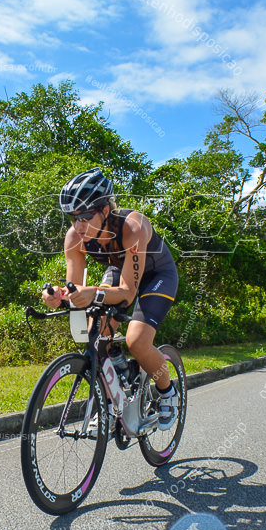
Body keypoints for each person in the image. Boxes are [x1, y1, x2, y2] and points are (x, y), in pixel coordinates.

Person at [42, 168, 181, 430]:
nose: (78, 226)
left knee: (137, 341)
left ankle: (167, 392)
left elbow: (128, 292)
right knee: (96, 337)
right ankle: (107, 405)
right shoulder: (75, 237)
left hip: (156, 275)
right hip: (119, 272)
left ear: (105, 210)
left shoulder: (133, 226)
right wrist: (60, 297)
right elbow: (76, 288)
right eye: (73, 218)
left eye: (85, 216)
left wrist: (93, 293)